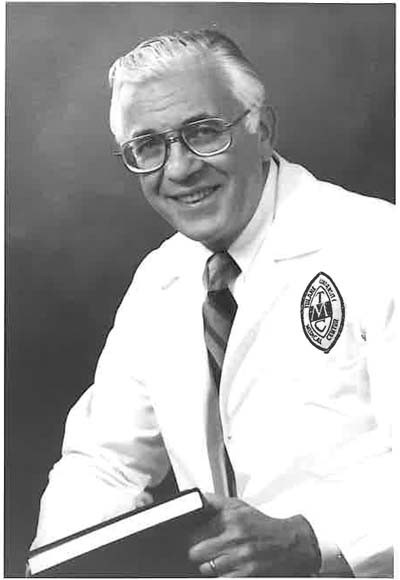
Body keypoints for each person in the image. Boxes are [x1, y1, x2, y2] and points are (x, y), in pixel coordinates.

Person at [32, 29, 395, 577]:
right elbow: (104, 463)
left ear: (262, 130)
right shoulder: (161, 280)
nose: (179, 169)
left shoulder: (379, 247)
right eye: (148, 146)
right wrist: (58, 565)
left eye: (203, 132)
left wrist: (314, 538)